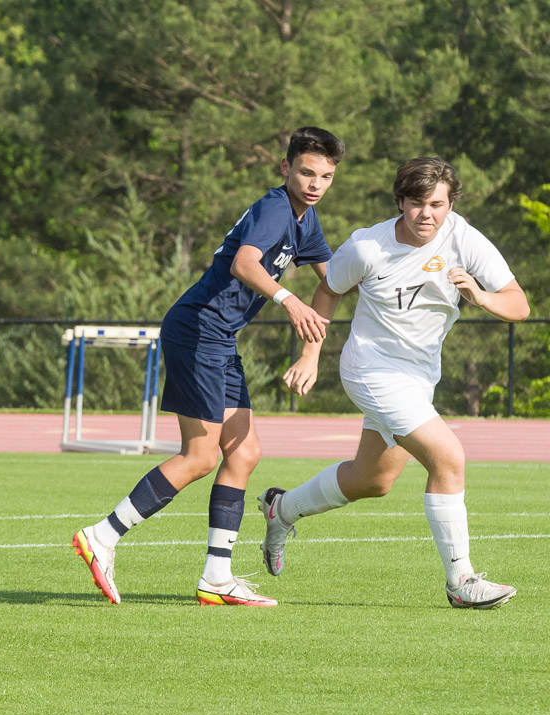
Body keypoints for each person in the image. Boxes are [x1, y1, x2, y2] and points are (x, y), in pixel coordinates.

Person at [72, 127, 344, 607]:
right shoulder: (276, 208)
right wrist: (289, 301)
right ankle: (103, 535)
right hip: (197, 330)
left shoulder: (308, 220)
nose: (315, 182)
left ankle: (217, 578)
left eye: (325, 175)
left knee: (243, 453)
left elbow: (337, 279)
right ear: (286, 169)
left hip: (218, 338)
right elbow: (244, 263)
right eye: (306, 171)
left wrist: (381, 292)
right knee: (200, 457)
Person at [259, 157, 529, 609]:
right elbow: (328, 291)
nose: (428, 214)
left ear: (450, 204)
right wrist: (311, 353)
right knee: (448, 457)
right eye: (417, 203)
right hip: (370, 369)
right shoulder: (367, 247)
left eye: (437, 204)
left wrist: (478, 295)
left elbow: (518, 304)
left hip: (420, 377)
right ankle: (461, 580)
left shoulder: (463, 238)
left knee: (373, 479)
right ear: (400, 202)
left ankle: (281, 508)